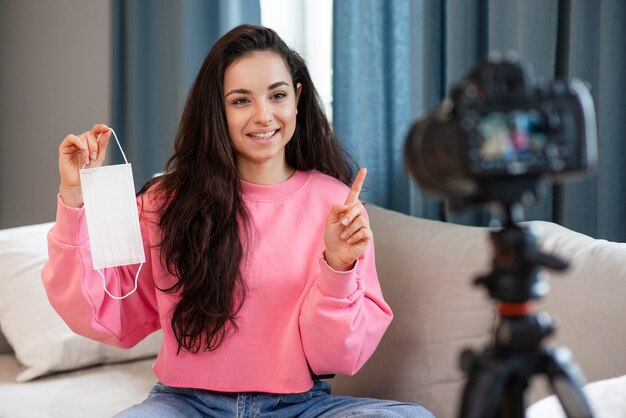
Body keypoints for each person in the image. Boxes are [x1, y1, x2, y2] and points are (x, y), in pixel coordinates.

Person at [42, 24, 434, 417]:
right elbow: (103, 313)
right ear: (218, 108)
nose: (263, 116)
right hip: (185, 404)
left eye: (277, 95)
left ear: (296, 98)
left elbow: (338, 357)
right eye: (241, 100)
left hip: (299, 407)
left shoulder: (336, 205)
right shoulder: (165, 203)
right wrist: (75, 197)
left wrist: (338, 267)